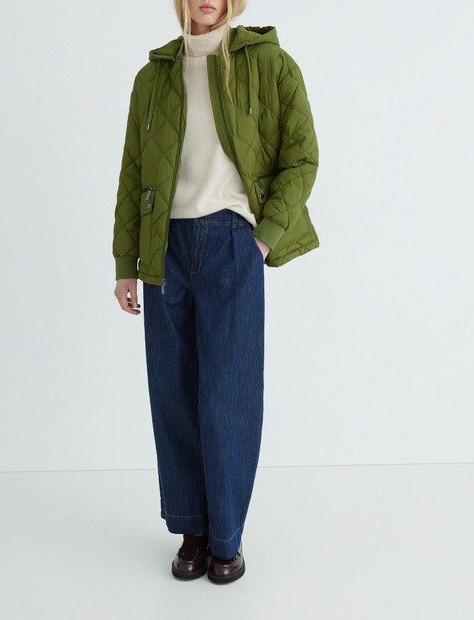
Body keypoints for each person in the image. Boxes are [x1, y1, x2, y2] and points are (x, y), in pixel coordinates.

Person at [112, 0, 319, 584]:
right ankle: (192, 531)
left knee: (228, 396)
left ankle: (227, 535)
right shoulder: (153, 76)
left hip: (232, 241)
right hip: (164, 247)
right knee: (173, 393)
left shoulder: (270, 64)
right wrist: (126, 262)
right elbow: (132, 171)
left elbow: (302, 156)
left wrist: (264, 236)